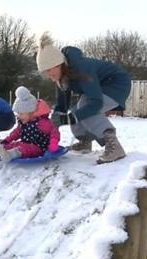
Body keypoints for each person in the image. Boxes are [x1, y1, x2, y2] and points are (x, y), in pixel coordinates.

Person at [35, 32, 131, 164]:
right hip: (100, 87)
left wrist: (68, 119)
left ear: (58, 65)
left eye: (49, 71)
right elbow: (62, 105)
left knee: (85, 107)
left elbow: (96, 103)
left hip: (117, 85)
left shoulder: (82, 69)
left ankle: (114, 146)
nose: (48, 76)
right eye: (45, 73)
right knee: (76, 110)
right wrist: (55, 120)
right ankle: (85, 142)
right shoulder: (61, 76)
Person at [0, 86, 60, 163]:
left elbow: (54, 133)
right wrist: (7, 140)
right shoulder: (24, 122)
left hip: (39, 148)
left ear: (31, 112)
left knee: (23, 149)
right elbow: (16, 133)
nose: (18, 116)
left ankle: (9, 155)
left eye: (21, 114)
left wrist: (53, 145)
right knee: (15, 145)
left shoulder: (43, 123)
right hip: (24, 144)